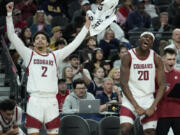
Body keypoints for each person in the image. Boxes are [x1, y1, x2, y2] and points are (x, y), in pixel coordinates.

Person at [6, 1, 90, 135]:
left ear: (47, 42)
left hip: (52, 100)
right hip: (35, 99)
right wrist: (9, 15)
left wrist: (86, 27)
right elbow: (11, 35)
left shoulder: (55, 56)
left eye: (43, 38)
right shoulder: (29, 54)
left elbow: (74, 44)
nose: (40, 40)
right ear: (33, 43)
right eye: (37, 38)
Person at [120, 31, 166, 135]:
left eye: (150, 39)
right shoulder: (128, 56)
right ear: (139, 40)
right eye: (145, 37)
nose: (147, 39)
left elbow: (163, 85)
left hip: (148, 99)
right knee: (125, 129)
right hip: (130, 98)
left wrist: (153, 106)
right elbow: (123, 83)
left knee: (150, 132)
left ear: (152, 44)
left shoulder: (156, 58)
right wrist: (136, 106)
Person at [156, 48, 180, 135]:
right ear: (163, 59)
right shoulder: (157, 74)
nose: (172, 62)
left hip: (178, 113)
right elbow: (152, 94)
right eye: (169, 59)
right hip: (162, 113)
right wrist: (161, 91)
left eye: (174, 59)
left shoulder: (179, 74)